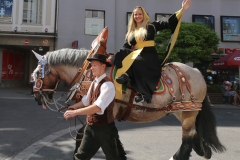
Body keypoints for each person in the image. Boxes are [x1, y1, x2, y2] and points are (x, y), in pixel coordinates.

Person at [114, 0, 191, 103]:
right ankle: (126, 76)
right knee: (121, 54)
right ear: (133, 16)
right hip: (136, 54)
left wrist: (183, 10)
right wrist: (117, 55)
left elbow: (168, 23)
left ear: (144, 15)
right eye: (135, 14)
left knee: (136, 60)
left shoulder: (152, 26)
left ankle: (145, 94)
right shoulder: (131, 32)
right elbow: (126, 46)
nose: (137, 16)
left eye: (140, 14)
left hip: (148, 56)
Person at [63, 53, 125, 160]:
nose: (92, 68)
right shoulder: (94, 82)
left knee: (114, 158)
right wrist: (74, 106)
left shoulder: (108, 85)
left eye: (95, 65)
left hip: (105, 130)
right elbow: (87, 100)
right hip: (91, 127)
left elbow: (97, 107)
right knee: (80, 157)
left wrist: (75, 112)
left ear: (103, 66)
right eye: (92, 65)